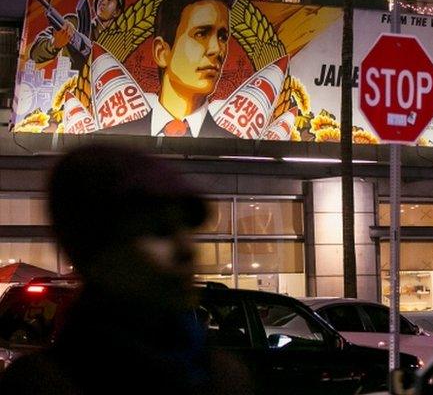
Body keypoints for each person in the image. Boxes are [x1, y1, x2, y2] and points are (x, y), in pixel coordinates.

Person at [0, 144, 253, 394]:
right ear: (95, 250)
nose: (186, 250)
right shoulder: (43, 385)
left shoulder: (222, 373)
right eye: (159, 231)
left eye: (187, 228)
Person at [101, 0, 234, 138]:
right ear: (162, 52)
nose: (216, 49)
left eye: (222, 37)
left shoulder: (237, 149)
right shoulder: (112, 143)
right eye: (201, 34)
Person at [30, 0, 125, 71]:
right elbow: (35, 53)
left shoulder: (116, 42)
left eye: (109, 0)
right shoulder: (74, 22)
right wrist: (53, 45)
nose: (103, 2)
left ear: (116, 12)